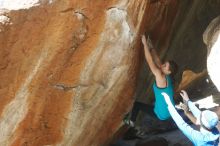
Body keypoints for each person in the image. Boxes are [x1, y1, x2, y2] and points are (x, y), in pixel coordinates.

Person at [124, 34, 178, 127]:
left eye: (165, 66)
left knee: (137, 105)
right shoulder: (167, 76)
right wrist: (151, 47)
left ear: (168, 72)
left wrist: (144, 44)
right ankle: (133, 122)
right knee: (150, 104)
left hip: (162, 114)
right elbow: (157, 60)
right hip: (169, 110)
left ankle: (131, 122)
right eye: (165, 63)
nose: (163, 65)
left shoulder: (161, 77)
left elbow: (150, 61)